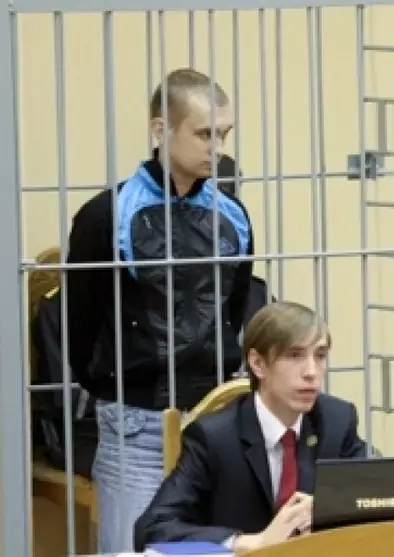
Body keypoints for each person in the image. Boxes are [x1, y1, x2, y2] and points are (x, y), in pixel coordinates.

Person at [64, 67, 254, 553]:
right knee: (133, 552)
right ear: (160, 130)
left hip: (214, 416)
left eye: (225, 134)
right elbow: (80, 320)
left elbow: (234, 308)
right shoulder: (107, 215)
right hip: (136, 420)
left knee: (213, 550)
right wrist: (116, 383)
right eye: (205, 134)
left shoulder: (233, 216)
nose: (218, 147)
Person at [132, 301, 370, 552]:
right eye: (294, 355)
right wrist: (250, 543)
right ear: (258, 364)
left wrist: (330, 507)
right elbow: (151, 529)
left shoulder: (336, 420)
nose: (312, 372)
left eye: (320, 356)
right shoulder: (214, 437)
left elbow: (383, 492)